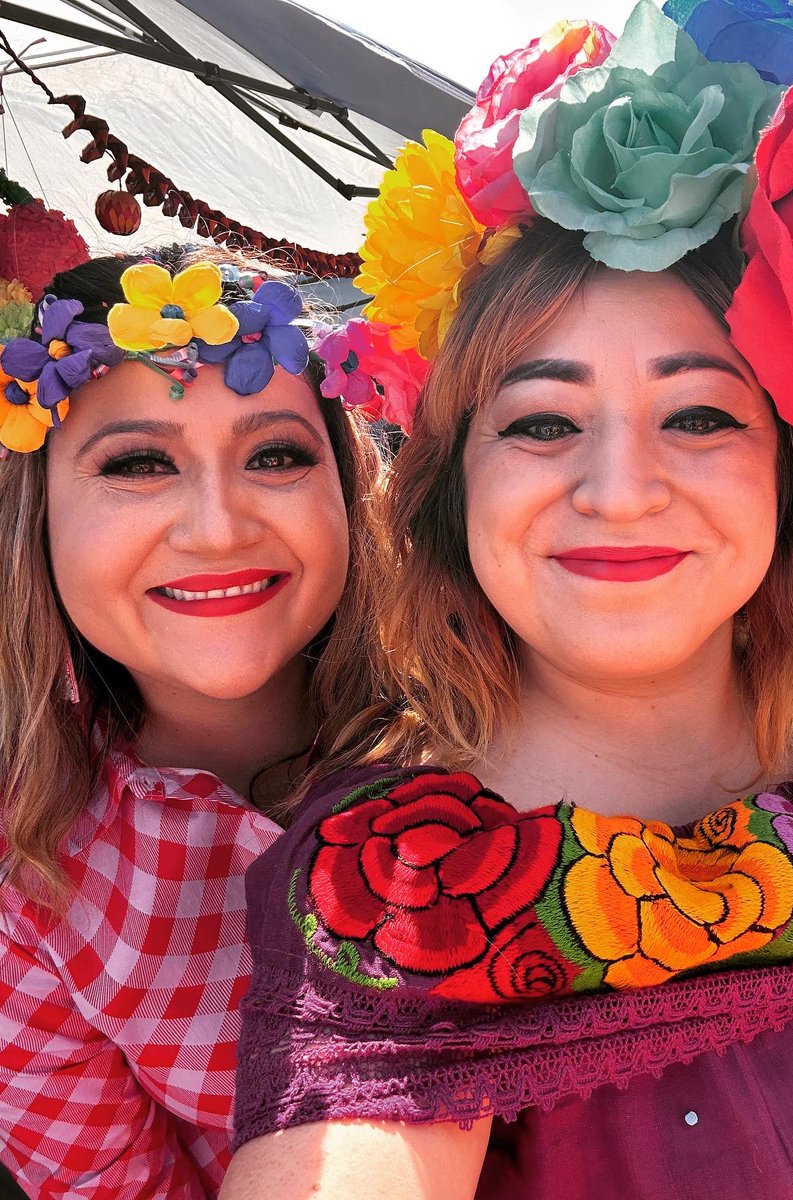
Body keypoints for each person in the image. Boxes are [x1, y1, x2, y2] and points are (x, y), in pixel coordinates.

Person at [223, 2, 793, 1197]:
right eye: (545, 422)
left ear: (792, 470)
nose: (620, 493)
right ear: (451, 488)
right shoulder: (395, 896)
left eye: (702, 415)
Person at [0, 249, 386, 1198]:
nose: (217, 528)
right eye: (138, 463)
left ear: (349, 485)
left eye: (277, 455)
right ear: (37, 518)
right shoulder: (23, 902)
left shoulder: (508, 720)